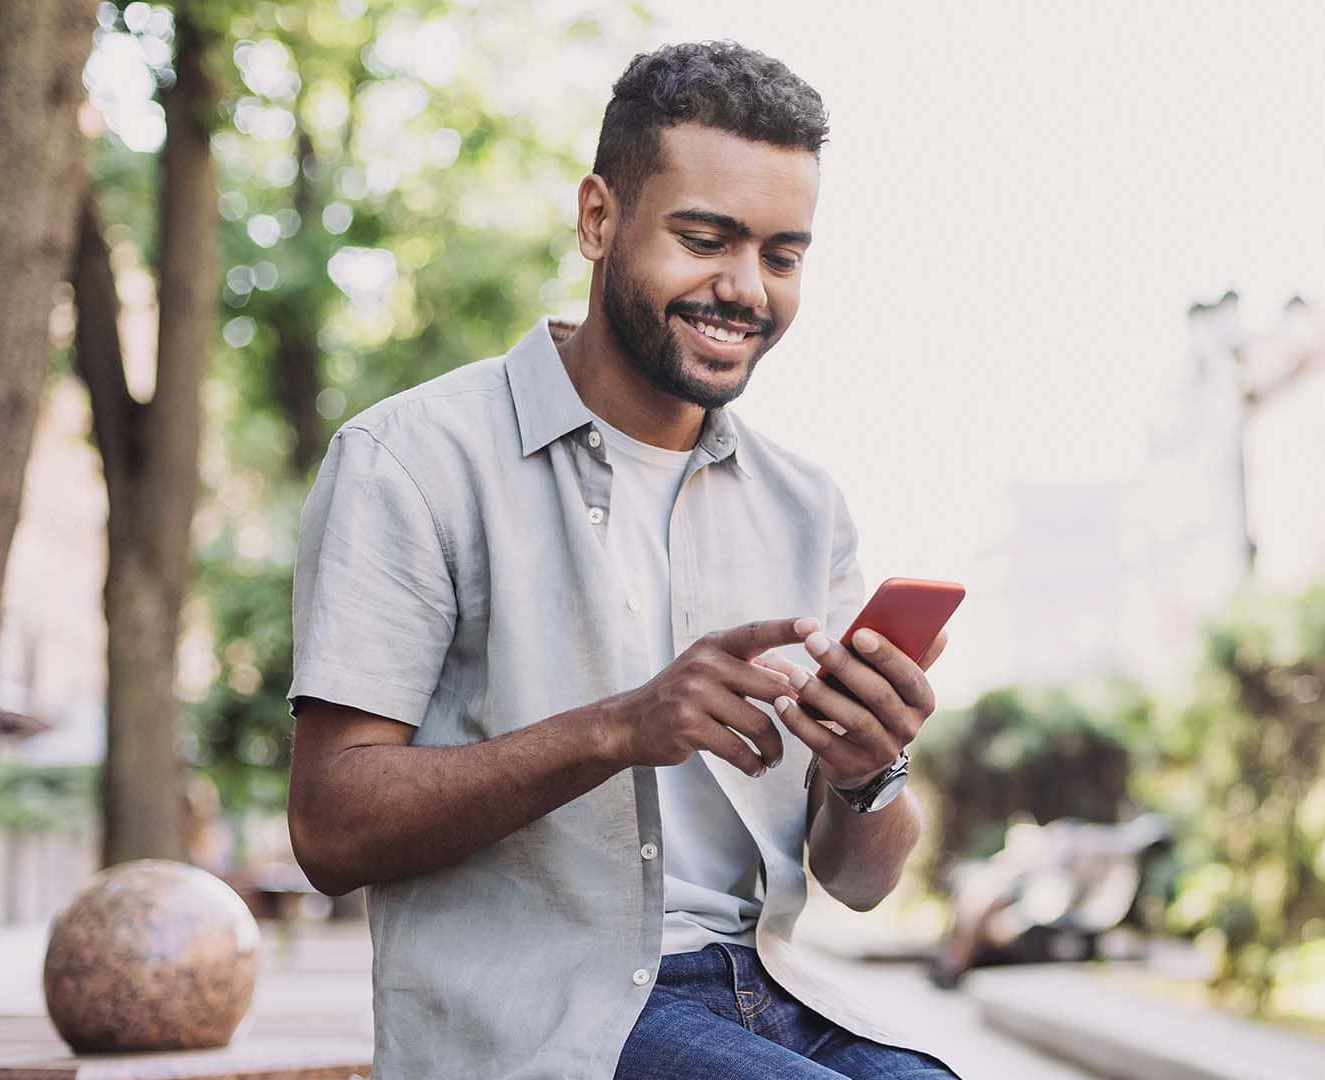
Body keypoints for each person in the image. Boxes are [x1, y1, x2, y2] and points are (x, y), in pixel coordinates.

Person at [285, 41, 957, 1080]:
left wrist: (869, 771)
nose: (745, 289)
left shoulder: (804, 506)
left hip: (769, 991)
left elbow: (860, 883)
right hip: (549, 1020)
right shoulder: (409, 462)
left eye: (781, 255)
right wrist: (616, 728)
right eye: (705, 239)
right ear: (599, 218)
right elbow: (329, 827)